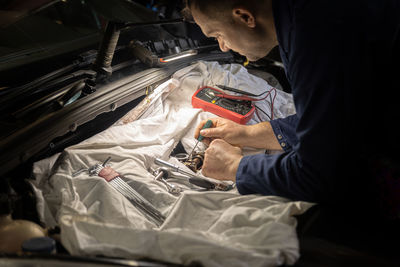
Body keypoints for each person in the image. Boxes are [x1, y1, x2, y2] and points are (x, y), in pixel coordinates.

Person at [184, 0, 400, 222]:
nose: (222, 47)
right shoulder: (302, 15)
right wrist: (248, 134)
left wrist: (235, 166)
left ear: (245, 17)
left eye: (218, 34)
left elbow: (321, 176)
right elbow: (335, 118)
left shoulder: (316, 33)